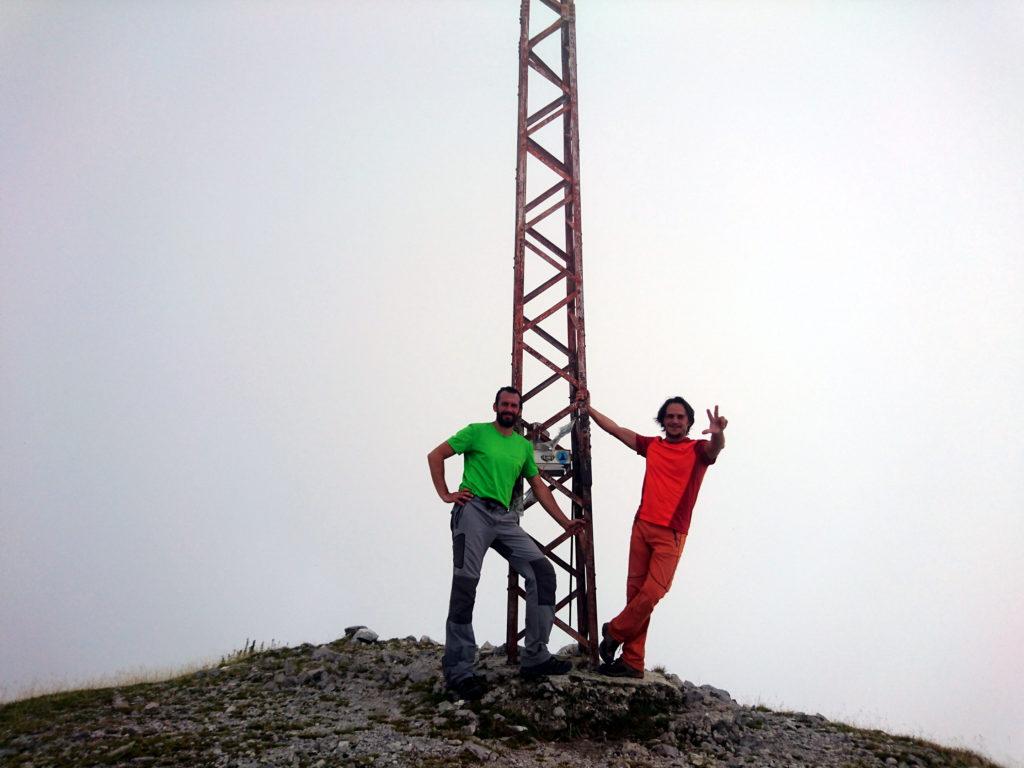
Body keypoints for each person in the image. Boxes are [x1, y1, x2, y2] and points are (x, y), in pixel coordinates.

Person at [428, 386, 587, 700]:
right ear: (495, 406)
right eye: (505, 404)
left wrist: (565, 523)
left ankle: (536, 656)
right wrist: (446, 494)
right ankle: (460, 669)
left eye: (514, 405)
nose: (510, 408)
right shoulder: (476, 432)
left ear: (518, 410)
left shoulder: (522, 447)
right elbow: (437, 455)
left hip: (504, 518)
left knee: (542, 573)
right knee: (465, 585)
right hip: (473, 511)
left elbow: (539, 488)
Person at [580, 393, 727, 678]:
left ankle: (615, 631)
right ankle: (633, 662)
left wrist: (719, 435)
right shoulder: (653, 446)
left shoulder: (698, 450)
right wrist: (588, 409)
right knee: (636, 595)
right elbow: (616, 430)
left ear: (688, 423)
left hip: (671, 533)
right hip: (642, 527)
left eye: (680, 417)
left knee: (653, 592)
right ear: (663, 420)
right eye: (670, 416)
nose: (674, 421)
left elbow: (715, 449)